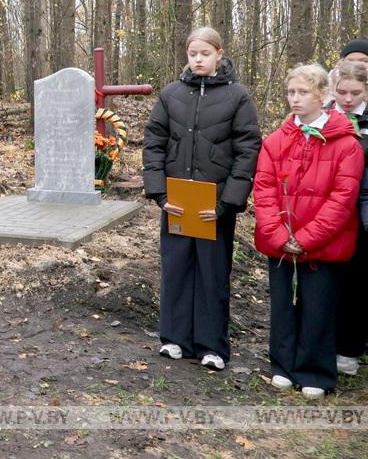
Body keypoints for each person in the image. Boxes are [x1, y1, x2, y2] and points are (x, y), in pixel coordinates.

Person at [143, 27, 261, 371]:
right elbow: (154, 143)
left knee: (212, 273)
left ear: (219, 54)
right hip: (177, 201)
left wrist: (228, 202)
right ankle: (175, 339)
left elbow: (247, 149)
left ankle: (212, 346)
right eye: (192, 53)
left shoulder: (237, 96)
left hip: (215, 205)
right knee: (177, 269)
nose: (198, 59)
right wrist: (160, 193)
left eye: (204, 54)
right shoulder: (171, 94)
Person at [253, 63, 363, 398]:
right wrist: (278, 234)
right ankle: (283, 365)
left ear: (323, 95)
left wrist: (305, 238)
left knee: (318, 308)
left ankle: (315, 370)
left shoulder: (347, 144)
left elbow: (342, 199)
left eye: (303, 92)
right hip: (281, 243)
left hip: (323, 245)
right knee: (284, 305)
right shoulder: (276, 141)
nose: (295, 99)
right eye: (291, 92)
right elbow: (264, 188)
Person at [327, 59, 368, 376]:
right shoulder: (324, 115)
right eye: (342, 92)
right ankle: (322, 342)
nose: (348, 99)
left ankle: (350, 350)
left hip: (362, 211)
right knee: (328, 282)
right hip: (328, 212)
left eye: (355, 93)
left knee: (357, 283)